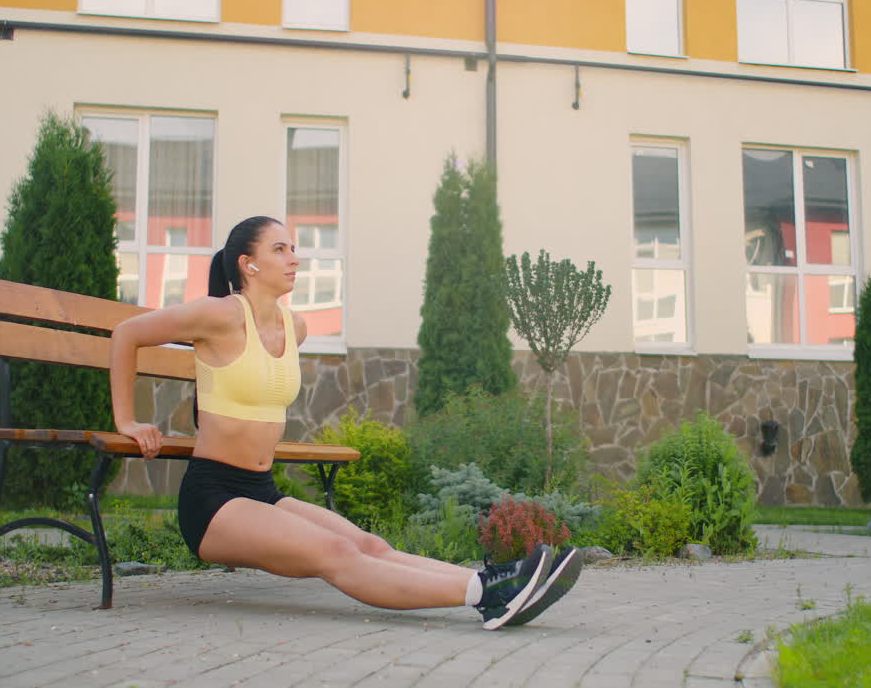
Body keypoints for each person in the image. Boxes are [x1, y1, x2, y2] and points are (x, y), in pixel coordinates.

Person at [109, 216, 581, 629]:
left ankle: (495, 581)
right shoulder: (219, 315)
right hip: (214, 499)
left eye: (293, 247)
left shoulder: (295, 327)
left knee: (367, 543)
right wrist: (128, 420)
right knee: (335, 555)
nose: (293, 257)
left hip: (261, 490)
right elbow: (127, 333)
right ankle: (487, 597)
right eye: (279, 249)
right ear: (248, 265)